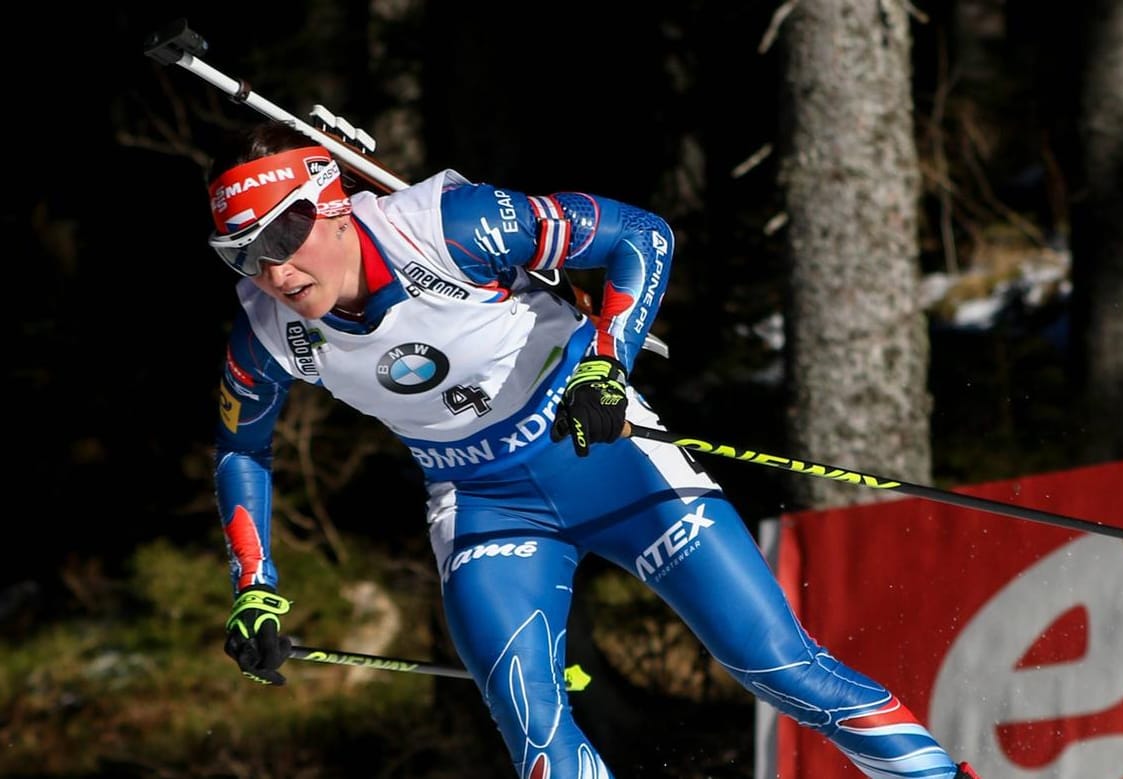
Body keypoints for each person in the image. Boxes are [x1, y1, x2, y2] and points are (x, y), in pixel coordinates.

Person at [208, 119, 981, 779]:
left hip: (600, 453)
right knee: (537, 737)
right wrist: (255, 584)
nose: (273, 269)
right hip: (482, 506)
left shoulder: (451, 225)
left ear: (333, 205)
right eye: (242, 252)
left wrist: (609, 364)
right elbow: (242, 446)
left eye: (282, 234)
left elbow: (641, 235)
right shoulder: (269, 331)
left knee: (776, 663)